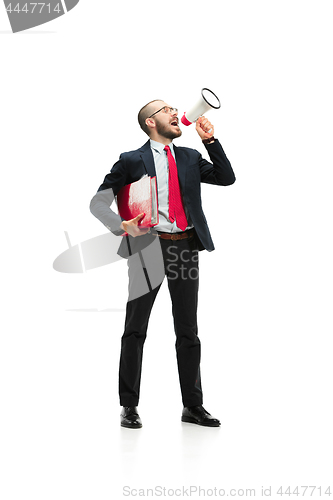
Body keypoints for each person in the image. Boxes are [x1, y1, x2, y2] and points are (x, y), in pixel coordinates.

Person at [90, 99, 235, 428]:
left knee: (188, 331)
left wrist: (209, 141)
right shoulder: (131, 160)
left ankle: (193, 406)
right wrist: (120, 225)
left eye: (174, 109)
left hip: (184, 246)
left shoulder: (189, 156)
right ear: (150, 122)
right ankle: (129, 405)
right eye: (166, 109)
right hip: (147, 248)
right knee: (136, 329)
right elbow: (98, 200)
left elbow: (227, 178)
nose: (175, 112)